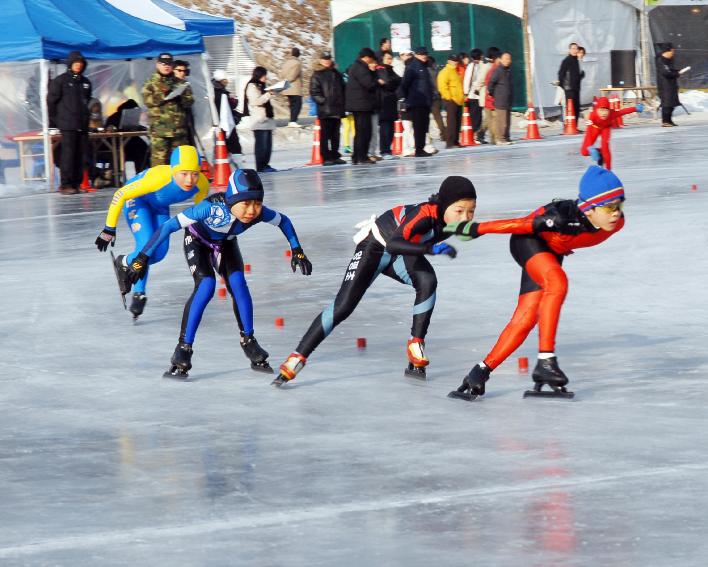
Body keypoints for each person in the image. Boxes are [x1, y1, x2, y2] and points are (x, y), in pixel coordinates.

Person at [271, 176, 478, 387]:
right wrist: (429, 249)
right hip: (375, 247)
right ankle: (297, 358)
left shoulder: (449, 219)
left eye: (471, 211)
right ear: (444, 206)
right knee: (343, 307)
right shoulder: (424, 215)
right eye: (459, 211)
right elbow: (395, 244)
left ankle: (416, 344)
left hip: (400, 252)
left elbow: (481, 228)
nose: (465, 217)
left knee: (427, 281)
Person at [445, 166, 626, 400]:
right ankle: (546, 361)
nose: (616, 213)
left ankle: (479, 373)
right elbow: (520, 224)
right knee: (557, 282)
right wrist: (477, 228)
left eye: (620, 205)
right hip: (527, 242)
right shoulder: (561, 217)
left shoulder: (617, 222)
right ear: (589, 210)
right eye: (610, 207)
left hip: (551, 253)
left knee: (526, 317)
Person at [125, 169, 312, 378]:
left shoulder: (259, 214)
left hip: (226, 244)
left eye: (257, 204)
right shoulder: (210, 208)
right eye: (246, 204)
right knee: (206, 286)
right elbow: (168, 227)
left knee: (238, 283)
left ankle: (249, 341)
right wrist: (141, 258)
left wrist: (297, 250)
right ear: (232, 201)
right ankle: (183, 349)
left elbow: (283, 221)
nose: (252, 210)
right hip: (198, 241)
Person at [94, 146, 209, 320]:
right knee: (146, 244)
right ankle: (139, 292)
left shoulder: (202, 184)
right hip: (136, 200)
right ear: (173, 170)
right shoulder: (159, 178)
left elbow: (198, 215)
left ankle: (124, 261)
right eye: (183, 173)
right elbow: (120, 194)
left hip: (160, 205)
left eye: (194, 173)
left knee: (159, 253)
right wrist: (109, 228)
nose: (189, 179)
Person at [47, 50, 92, 195]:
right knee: (68, 155)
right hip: (67, 125)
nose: (78, 66)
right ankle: (66, 184)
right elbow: (51, 102)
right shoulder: (60, 81)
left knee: (81, 155)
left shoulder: (85, 82)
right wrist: (55, 121)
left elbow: (88, 101)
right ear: (70, 64)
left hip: (82, 125)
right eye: (75, 63)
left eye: (80, 63)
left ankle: (77, 183)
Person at [142, 53, 194, 167]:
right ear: (157, 64)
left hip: (178, 131)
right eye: (163, 64)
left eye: (169, 64)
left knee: (180, 164)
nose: (166, 66)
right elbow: (147, 101)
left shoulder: (180, 82)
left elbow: (190, 101)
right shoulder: (151, 82)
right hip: (160, 131)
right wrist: (163, 94)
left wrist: (181, 97)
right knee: (159, 165)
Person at [580, 96, 643, 170]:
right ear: (597, 109)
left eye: (606, 110)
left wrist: (635, 108)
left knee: (605, 147)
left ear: (609, 110)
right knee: (584, 152)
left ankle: (608, 170)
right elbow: (589, 132)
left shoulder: (612, 113)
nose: (603, 113)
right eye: (601, 110)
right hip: (594, 128)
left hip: (605, 129)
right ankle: (599, 152)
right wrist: (590, 149)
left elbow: (622, 112)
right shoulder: (593, 115)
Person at [310, 50, 347, 165]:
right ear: (320, 60)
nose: (327, 61)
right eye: (324, 59)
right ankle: (326, 157)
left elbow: (343, 89)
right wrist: (324, 101)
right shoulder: (317, 74)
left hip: (337, 109)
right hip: (325, 110)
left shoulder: (337, 73)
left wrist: (342, 103)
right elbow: (314, 92)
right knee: (325, 135)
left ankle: (335, 155)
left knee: (335, 135)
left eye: (328, 59)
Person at [345, 48, 378, 165]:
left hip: (359, 104)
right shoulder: (361, 68)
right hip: (361, 105)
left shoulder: (356, 66)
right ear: (367, 58)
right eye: (372, 59)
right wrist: (374, 74)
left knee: (360, 132)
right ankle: (361, 157)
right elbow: (369, 84)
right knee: (364, 132)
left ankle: (357, 156)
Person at [400, 47, 434, 157]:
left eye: (425, 54)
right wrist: (408, 97)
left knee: (423, 126)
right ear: (416, 55)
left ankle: (421, 147)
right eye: (421, 54)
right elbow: (405, 84)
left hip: (425, 101)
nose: (424, 56)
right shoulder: (413, 66)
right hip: (417, 101)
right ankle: (419, 149)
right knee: (419, 127)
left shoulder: (424, 66)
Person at [244, 66, 277, 172]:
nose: (265, 78)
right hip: (259, 121)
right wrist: (268, 95)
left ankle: (266, 164)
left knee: (268, 146)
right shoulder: (252, 86)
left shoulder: (262, 86)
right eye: (264, 76)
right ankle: (260, 166)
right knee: (261, 146)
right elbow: (255, 101)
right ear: (259, 75)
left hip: (267, 120)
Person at [104, 99, 150, 172]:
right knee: (139, 147)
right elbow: (109, 130)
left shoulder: (125, 117)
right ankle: (140, 172)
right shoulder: (114, 117)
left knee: (141, 146)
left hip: (127, 143)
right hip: (116, 144)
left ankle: (142, 172)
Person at [212, 69, 243, 166]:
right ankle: (238, 167)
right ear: (221, 80)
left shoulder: (216, 91)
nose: (227, 82)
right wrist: (234, 103)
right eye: (225, 80)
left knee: (222, 147)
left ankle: (221, 166)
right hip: (225, 125)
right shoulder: (221, 93)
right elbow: (225, 110)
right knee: (232, 146)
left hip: (221, 124)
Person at [655, 43, 689, 127]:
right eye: (672, 51)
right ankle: (665, 121)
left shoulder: (668, 60)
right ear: (667, 51)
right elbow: (666, 72)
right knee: (667, 104)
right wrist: (677, 73)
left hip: (671, 85)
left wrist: (678, 71)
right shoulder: (661, 60)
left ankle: (669, 120)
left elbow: (671, 70)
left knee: (672, 104)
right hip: (665, 86)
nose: (673, 53)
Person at [376, 51, 402, 159]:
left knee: (391, 128)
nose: (389, 60)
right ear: (382, 59)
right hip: (383, 102)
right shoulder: (380, 70)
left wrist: (391, 83)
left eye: (391, 58)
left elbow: (398, 81)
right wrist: (391, 83)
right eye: (387, 58)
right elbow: (388, 83)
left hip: (391, 101)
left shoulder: (390, 69)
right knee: (385, 128)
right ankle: (384, 150)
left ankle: (388, 149)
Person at [437, 54, 465, 149]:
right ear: (449, 61)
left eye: (456, 60)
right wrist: (448, 97)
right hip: (451, 100)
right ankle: (450, 142)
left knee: (457, 122)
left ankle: (456, 141)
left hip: (458, 100)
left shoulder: (456, 71)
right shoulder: (445, 72)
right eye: (453, 60)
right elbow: (442, 86)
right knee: (451, 122)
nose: (455, 62)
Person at [488, 52, 514, 145]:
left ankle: (506, 137)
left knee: (507, 121)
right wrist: (493, 94)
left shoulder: (508, 71)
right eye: (505, 59)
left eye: (509, 59)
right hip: (500, 99)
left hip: (508, 100)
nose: (507, 61)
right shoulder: (498, 70)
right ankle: (500, 139)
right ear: (501, 60)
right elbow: (491, 83)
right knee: (501, 121)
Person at [558, 43, 582, 128]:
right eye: (573, 48)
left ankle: (574, 126)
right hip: (569, 89)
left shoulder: (577, 60)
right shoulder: (567, 60)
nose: (575, 50)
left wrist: (581, 75)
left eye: (576, 49)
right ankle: (568, 126)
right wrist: (564, 86)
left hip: (576, 88)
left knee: (576, 107)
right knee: (570, 108)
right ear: (569, 50)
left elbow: (576, 75)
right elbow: (561, 74)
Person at [481, 47, 501, 145]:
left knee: (491, 120)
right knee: (492, 121)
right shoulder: (490, 69)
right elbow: (486, 83)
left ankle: (493, 138)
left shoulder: (497, 69)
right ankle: (494, 138)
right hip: (490, 99)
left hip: (492, 99)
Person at [463, 48, 485, 136]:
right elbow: (467, 80)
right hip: (473, 95)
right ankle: (474, 133)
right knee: (475, 116)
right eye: (481, 55)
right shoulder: (472, 66)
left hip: (479, 94)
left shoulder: (480, 65)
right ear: (479, 56)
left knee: (479, 115)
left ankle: (477, 133)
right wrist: (466, 93)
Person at [280, 48, 303, 127]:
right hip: (294, 88)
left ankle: (292, 120)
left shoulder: (286, 63)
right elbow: (293, 76)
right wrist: (288, 80)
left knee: (292, 104)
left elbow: (281, 74)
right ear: (298, 54)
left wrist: (284, 82)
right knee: (298, 104)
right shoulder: (297, 63)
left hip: (286, 87)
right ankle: (293, 121)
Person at [427, 57, 447, 141]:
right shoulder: (438, 71)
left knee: (429, 117)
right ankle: (444, 134)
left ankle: (429, 135)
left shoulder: (425, 71)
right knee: (438, 117)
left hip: (429, 96)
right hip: (437, 96)